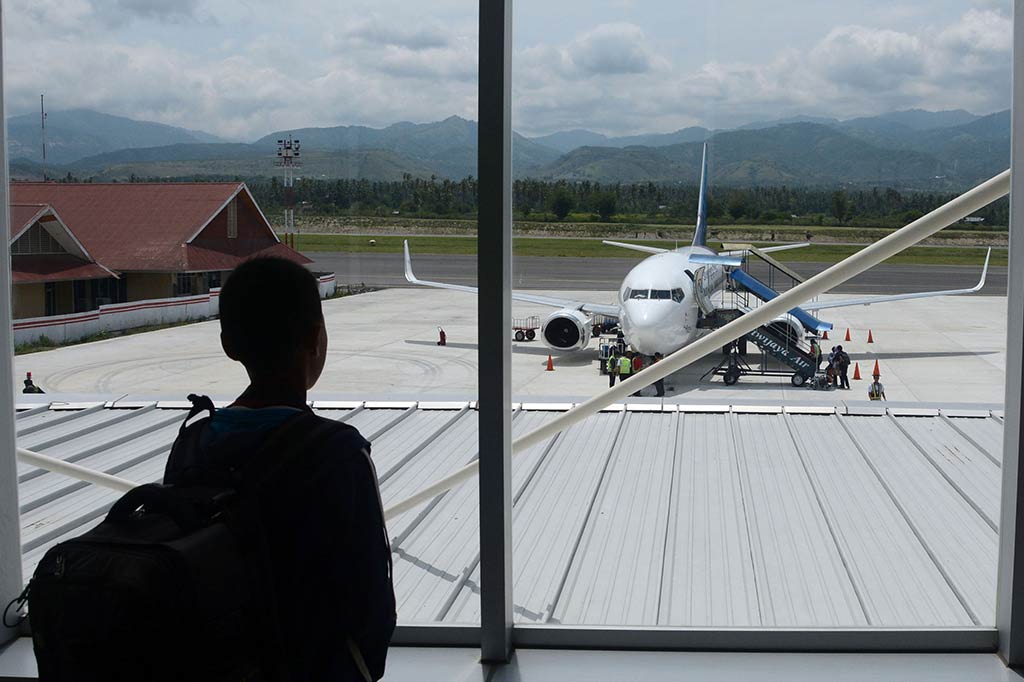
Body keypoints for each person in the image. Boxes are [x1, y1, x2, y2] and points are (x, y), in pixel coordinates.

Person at [163, 257, 396, 681]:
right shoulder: (339, 452)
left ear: (228, 345)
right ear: (315, 338)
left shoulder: (192, 443)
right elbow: (371, 604)